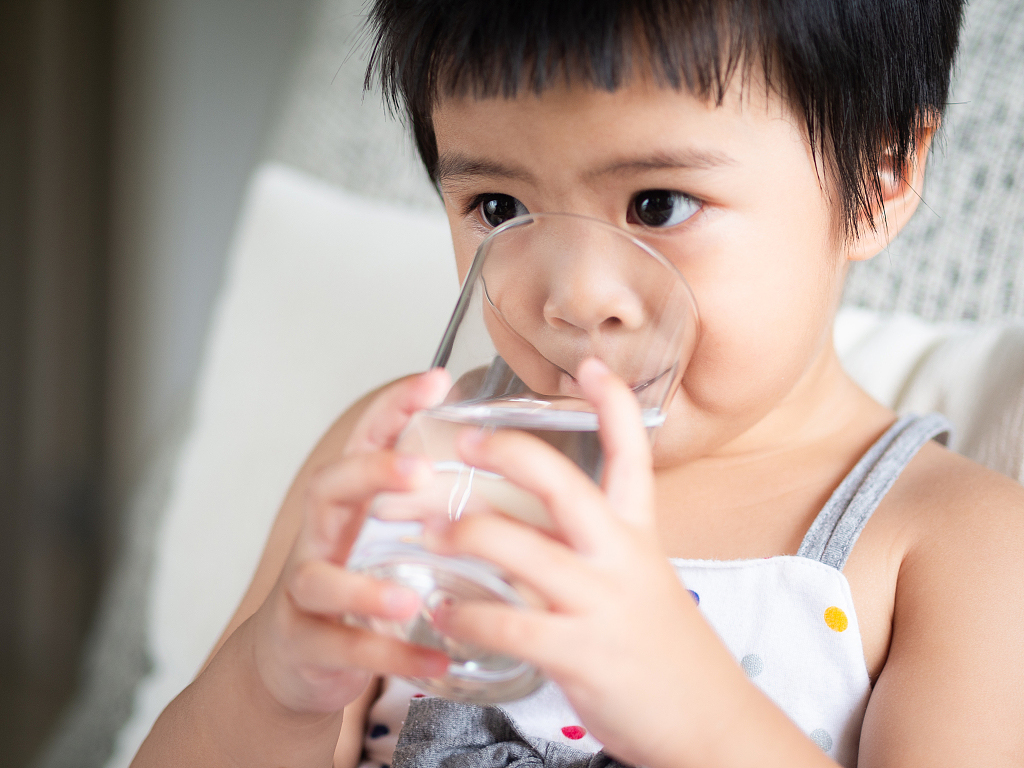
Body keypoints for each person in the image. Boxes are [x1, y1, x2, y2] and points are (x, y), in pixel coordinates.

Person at [131, 1, 1024, 766]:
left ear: (879, 176)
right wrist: (274, 686)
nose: (571, 298)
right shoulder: (415, 453)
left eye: (658, 204)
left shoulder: (951, 545)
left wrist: (696, 710)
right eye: (500, 209)